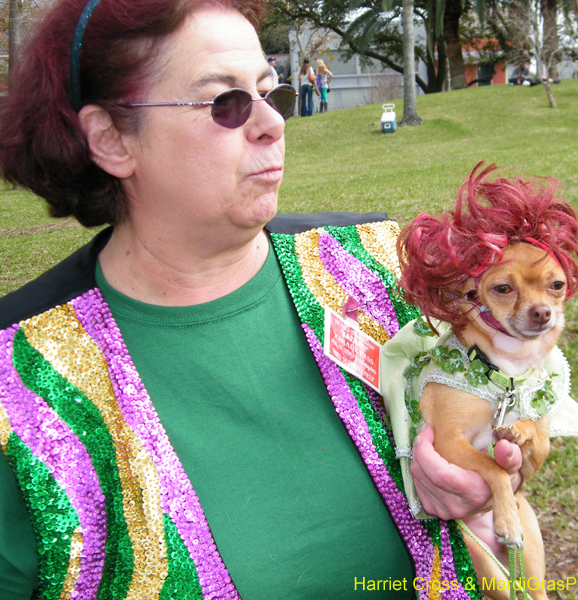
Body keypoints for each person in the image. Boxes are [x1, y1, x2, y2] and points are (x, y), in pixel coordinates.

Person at [0, 0, 526, 598]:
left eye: (270, 92)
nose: (272, 124)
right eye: (225, 103)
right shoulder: (18, 383)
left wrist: (499, 465)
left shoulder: (378, 268)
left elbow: (503, 420)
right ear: (113, 140)